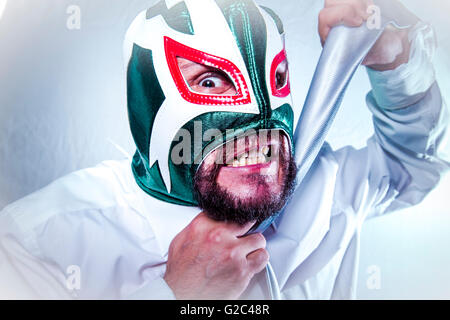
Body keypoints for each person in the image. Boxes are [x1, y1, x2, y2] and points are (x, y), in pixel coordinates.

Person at [0, 0, 448, 299]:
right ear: (148, 96)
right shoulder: (40, 243)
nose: (261, 127)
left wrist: (396, 58)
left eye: (274, 80)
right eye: (210, 81)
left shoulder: (325, 186)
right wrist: (175, 294)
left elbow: (413, 164)